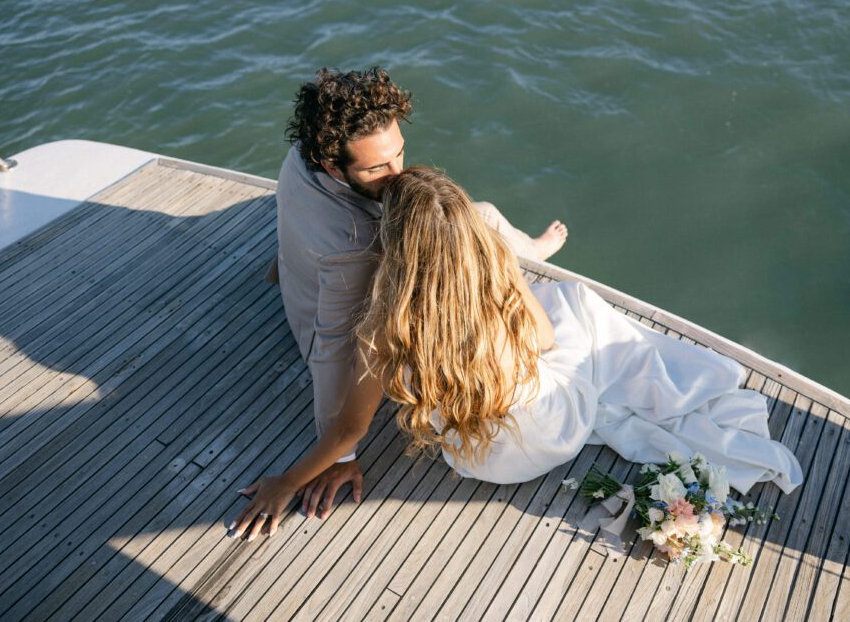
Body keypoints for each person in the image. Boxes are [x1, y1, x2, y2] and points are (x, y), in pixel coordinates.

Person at [230, 167, 803, 541]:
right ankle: (527, 245)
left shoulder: (384, 325)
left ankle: (525, 246)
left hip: (480, 461)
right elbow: (544, 341)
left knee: (555, 313)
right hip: (556, 428)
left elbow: (345, 428)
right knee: (573, 302)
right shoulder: (496, 279)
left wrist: (289, 480)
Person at [265, 68, 568, 525]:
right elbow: (332, 350)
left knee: (480, 217)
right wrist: (340, 457)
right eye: (376, 168)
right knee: (481, 217)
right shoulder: (354, 253)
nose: (398, 173)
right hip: (320, 308)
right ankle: (529, 250)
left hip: (298, 270)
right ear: (333, 166)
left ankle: (531, 247)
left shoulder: (304, 155)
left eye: (399, 153)